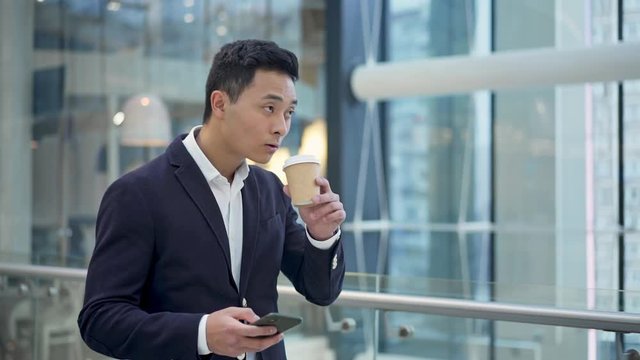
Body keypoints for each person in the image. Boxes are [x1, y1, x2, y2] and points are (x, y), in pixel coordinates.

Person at [78, 39, 346, 360]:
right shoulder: (137, 193)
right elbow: (100, 319)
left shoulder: (271, 189)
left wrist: (321, 235)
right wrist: (202, 333)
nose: (281, 127)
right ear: (219, 103)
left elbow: (320, 291)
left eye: (288, 112)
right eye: (269, 108)